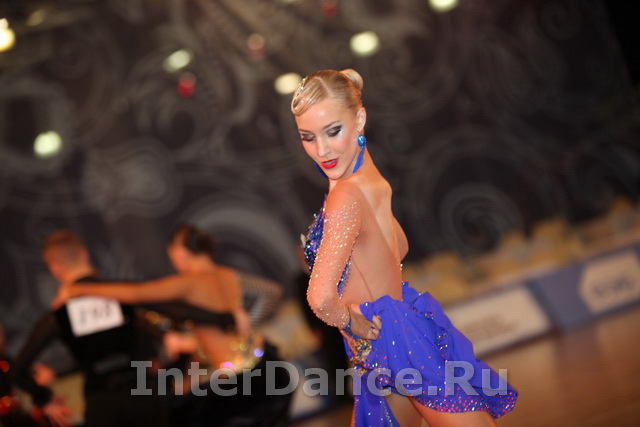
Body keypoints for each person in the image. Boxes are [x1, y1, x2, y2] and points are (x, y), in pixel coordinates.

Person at [291, 69, 518, 426]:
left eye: (332, 131)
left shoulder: (344, 197)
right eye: (308, 137)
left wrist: (354, 322)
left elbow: (320, 299)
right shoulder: (369, 182)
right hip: (390, 334)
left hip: (386, 338)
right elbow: (399, 246)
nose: (321, 150)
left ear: (359, 120)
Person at [53, 224, 293, 427]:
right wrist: (246, 323)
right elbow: (272, 291)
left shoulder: (188, 283)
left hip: (241, 384)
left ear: (180, 253)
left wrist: (78, 289)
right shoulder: (229, 275)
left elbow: (136, 294)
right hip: (267, 366)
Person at [11, 231, 168, 427]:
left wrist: (44, 398)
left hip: (101, 405)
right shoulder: (125, 294)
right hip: (145, 395)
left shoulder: (58, 316)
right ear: (84, 253)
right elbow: (161, 323)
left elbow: (17, 371)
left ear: (55, 269)